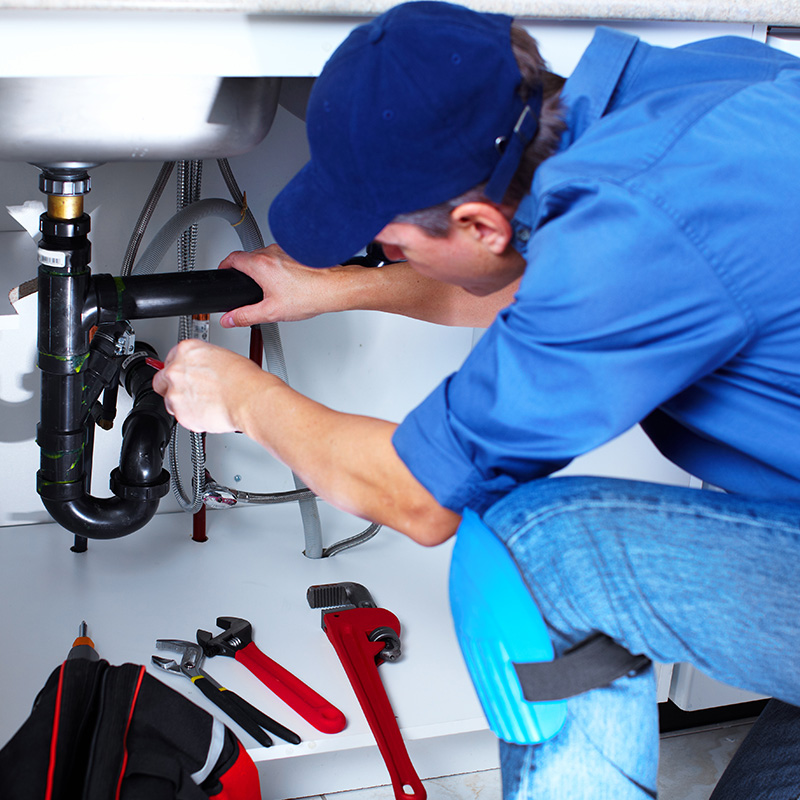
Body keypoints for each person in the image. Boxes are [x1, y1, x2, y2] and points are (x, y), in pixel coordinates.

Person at [153, 2, 800, 797]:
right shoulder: (687, 93)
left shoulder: (635, 231)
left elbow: (421, 499)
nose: (382, 253)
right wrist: (329, 289)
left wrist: (243, 398)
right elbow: (549, 279)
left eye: (390, 244)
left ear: (479, 223)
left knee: (542, 555)